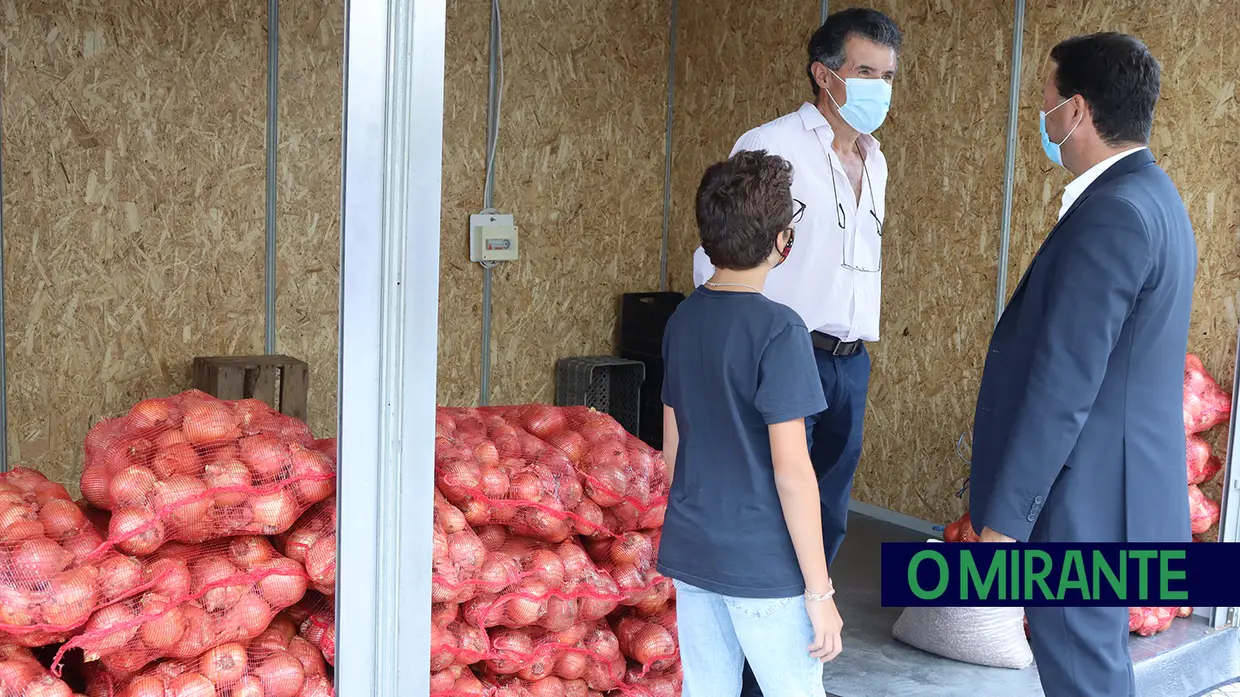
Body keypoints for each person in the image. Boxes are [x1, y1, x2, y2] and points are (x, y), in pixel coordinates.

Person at [969, 33, 1194, 697]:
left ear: (1078, 112)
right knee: (1089, 668)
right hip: (1116, 495)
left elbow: (1063, 388)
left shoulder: (1114, 216)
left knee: (1085, 677)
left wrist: (1004, 524)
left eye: (1046, 102)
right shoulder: (1156, 197)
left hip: (1084, 508)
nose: (1043, 118)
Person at [691, 10, 901, 694]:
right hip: (783, 355)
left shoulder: (877, 160)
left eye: (888, 77)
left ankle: (796, 648)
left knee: (828, 513)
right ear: (825, 73)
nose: (878, 88)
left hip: (848, 360)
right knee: (773, 510)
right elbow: (720, 252)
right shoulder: (773, 144)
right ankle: (758, 675)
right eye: (865, 72)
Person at [659, 150, 844, 697]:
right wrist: (820, 593)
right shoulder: (782, 331)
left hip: (694, 552)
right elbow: (792, 473)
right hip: (762, 565)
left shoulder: (682, 317)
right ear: (783, 242)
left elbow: (674, 447)